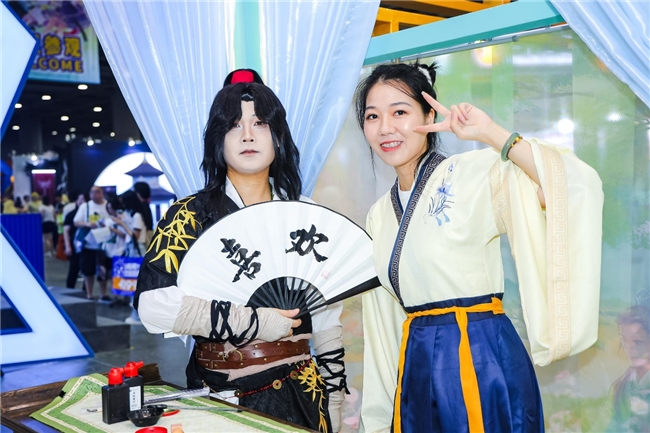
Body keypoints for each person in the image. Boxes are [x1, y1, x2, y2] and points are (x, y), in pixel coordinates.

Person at [355, 63, 603, 432]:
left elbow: (568, 184)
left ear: (429, 115)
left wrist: (491, 133)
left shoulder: (472, 173)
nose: (385, 127)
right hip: (417, 363)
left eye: (400, 112)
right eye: (372, 116)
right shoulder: (378, 215)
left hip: (481, 354)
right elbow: (383, 320)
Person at [135, 72, 347, 432]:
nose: (247, 135)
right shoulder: (188, 216)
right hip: (217, 394)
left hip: (301, 393)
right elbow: (152, 306)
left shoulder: (306, 214)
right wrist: (253, 321)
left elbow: (327, 316)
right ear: (218, 141)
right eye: (234, 125)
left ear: (278, 136)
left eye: (260, 123)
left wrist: (336, 394)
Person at [74, 186, 110, 301]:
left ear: (102, 193)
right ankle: (89, 294)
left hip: (104, 244)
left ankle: (103, 294)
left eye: (97, 192)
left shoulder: (108, 205)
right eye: (92, 192)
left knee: (103, 270)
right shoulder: (85, 206)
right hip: (88, 243)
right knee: (88, 270)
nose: (95, 194)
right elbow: (76, 222)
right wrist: (87, 224)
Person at [63, 192, 86, 288]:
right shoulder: (71, 214)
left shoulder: (88, 214)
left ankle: (86, 291)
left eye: (84, 199)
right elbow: (66, 231)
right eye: (80, 199)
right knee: (73, 268)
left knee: (87, 270)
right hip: (74, 245)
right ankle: (69, 289)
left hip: (87, 245)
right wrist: (68, 246)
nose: (81, 201)